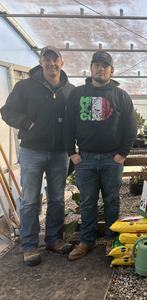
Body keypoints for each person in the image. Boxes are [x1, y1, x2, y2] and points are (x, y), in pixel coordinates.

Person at [0, 46, 74, 266]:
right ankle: (29, 245)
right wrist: (27, 124)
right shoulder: (25, 87)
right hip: (33, 150)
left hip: (60, 152)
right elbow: (7, 111)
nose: (51, 63)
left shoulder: (70, 90)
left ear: (62, 62)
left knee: (57, 198)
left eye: (55, 59)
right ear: (41, 62)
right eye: (46, 59)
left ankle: (54, 239)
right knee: (30, 200)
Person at [64, 50, 137, 260]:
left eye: (105, 66)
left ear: (111, 71)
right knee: (87, 202)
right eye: (97, 64)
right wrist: (72, 153)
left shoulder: (120, 95)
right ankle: (86, 241)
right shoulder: (77, 94)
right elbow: (68, 125)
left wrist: (122, 154)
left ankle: (111, 240)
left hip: (111, 159)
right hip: (85, 159)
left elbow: (130, 127)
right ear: (91, 68)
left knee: (112, 200)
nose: (101, 69)